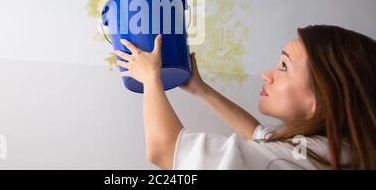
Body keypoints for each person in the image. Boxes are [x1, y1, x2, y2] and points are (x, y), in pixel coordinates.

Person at [113, 25, 376, 169]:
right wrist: (199, 88)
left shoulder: (309, 156)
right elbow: (259, 135)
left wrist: (150, 78)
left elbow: (165, 151)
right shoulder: (333, 149)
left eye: (284, 67)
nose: (267, 74)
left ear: (323, 95)